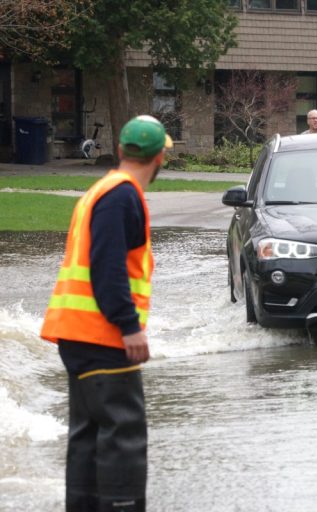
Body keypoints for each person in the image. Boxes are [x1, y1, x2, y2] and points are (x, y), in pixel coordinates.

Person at [40, 115, 173, 511]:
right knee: (122, 435)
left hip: (77, 334)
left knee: (88, 434)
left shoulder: (102, 190)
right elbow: (108, 267)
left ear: (119, 151)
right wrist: (129, 327)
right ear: (160, 159)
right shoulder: (122, 195)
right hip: (103, 337)